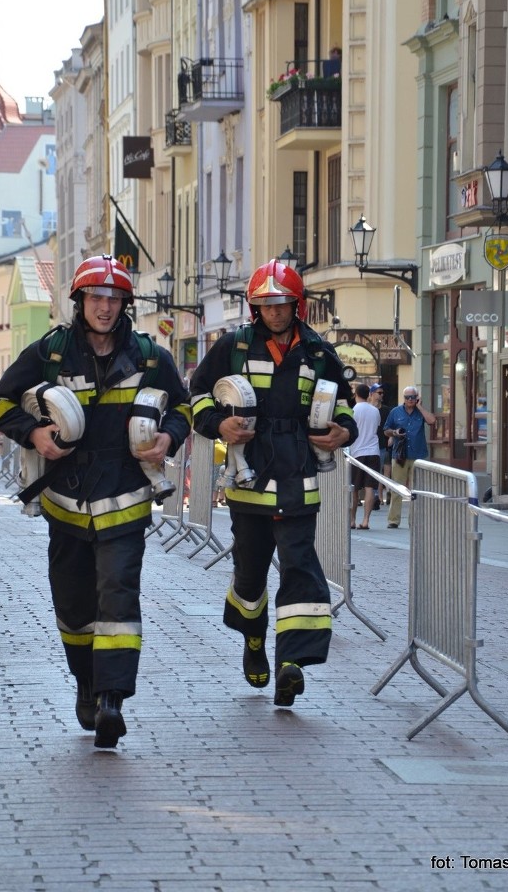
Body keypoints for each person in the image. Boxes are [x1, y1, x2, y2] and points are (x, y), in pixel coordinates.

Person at [0, 255, 191, 749]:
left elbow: (181, 406)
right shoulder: (51, 353)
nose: (104, 306)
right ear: (79, 302)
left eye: (113, 298)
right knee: (74, 605)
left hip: (124, 496)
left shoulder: (149, 356)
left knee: (118, 593)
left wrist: (169, 438)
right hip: (66, 500)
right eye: (95, 297)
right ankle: (85, 682)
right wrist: (33, 433)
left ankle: (111, 699)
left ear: (124, 304)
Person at [189, 258, 357, 708]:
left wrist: (344, 431)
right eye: (266, 305)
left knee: (301, 565)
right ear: (254, 307)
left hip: (299, 475)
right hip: (249, 477)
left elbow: (343, 403)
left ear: (296, 304)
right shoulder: (233, 346)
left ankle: (292, 664)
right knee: (250, 574)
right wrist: (218, 425)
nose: (275, 313)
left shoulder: (318, 352)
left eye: (282, 304)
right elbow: (198, 395)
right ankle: (253, 641)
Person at [384, 386, 436, 528]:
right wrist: (394, 432)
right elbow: (386, 430)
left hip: (418, 455)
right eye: (407, 397)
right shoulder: (395, 412)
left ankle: (414, 521)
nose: (410, 400)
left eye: (413, 397)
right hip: (400, 455)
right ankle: (393, 520)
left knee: (416, 490)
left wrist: (420, 407)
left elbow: (432, 421)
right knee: (397, 489)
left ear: (417, 397)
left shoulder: (420, 412)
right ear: (404, 398)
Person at [349, 383, 380, 530]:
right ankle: (366, 520)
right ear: (369, 394)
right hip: (373, 452)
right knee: (370, 488)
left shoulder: (353, 410)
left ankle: (352, 520)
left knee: (354, 488)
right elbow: (377, 428)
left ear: (355, 394)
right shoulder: (375, 411)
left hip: (357, 453)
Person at [368, 383, 391, 507]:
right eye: (379, 393)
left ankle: (378, 496)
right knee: (369, 472)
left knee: (380, 471)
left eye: (382, 393)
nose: (381, 395)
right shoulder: (366, 408)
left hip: (382, 445)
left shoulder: (386, 410)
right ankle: (374, 496)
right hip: (367, 445)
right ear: (371, 394)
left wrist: (391, 438)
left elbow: (391, 425)